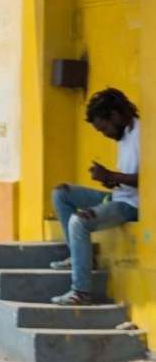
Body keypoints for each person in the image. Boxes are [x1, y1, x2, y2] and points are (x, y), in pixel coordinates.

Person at [49, 88, 140, 306]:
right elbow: (128, 177)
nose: (105, 134)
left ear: (116, 115)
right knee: (61, 193)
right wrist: (110, 179)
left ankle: (81, 291)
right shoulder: (125, 134)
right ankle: (79, 257)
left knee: (79, 221)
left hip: (133, 205)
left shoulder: (144, 134)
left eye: (104, 128)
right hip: (120, 195)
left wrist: (111, 175)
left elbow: (148, 180)